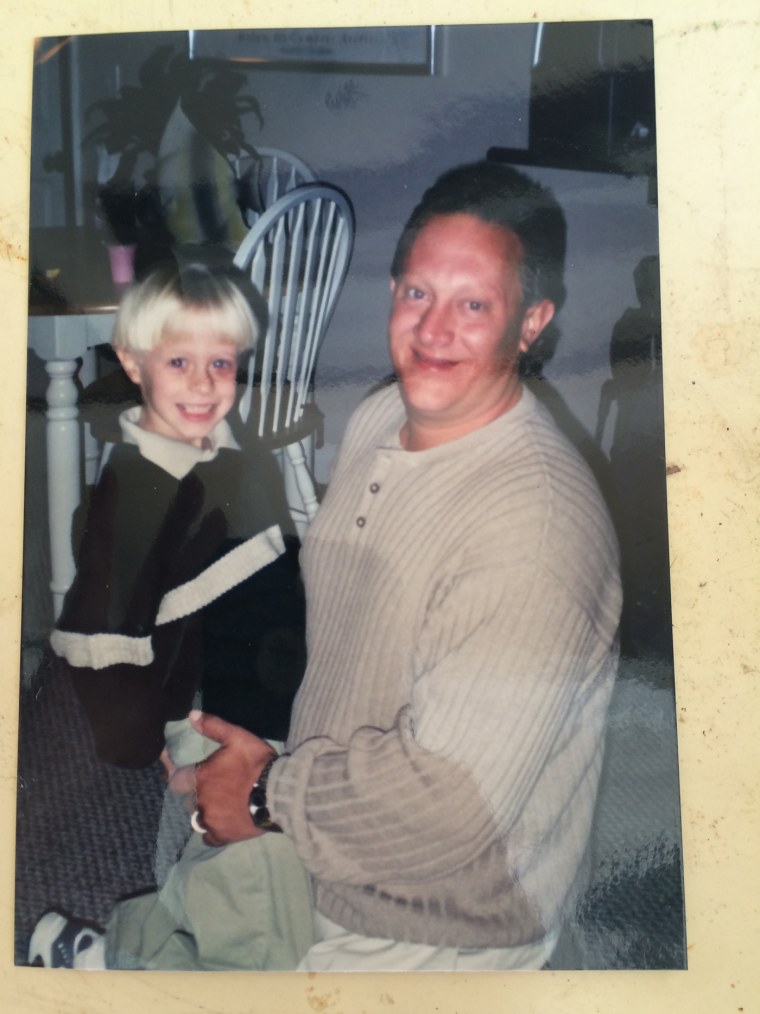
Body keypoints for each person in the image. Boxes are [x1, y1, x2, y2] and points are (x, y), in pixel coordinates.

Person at [38, 160, 623, 971]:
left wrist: (265, 793)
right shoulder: (385, 414)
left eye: (475, 305)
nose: (433, 329)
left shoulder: (534, 531)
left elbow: (453, 812)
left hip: (431, 911)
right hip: (327, 803)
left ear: (532, 324)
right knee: (201, 902)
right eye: (417, 292)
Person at [29, 260, 314, 969]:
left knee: (220, 862)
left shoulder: (227, 449)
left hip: (263, 686)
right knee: (249, 874)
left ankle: (115, 953)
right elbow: (101, 634)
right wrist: (144, 743)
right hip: (207, 706)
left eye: (221, 362)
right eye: (180, 360)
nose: (204, 383)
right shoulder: (134, 489)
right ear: (131, 360)